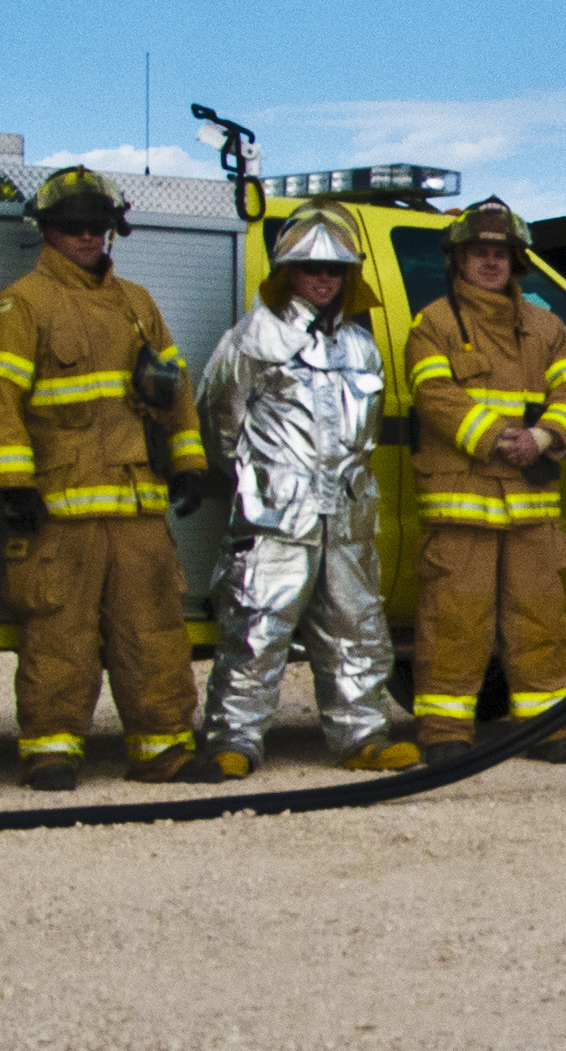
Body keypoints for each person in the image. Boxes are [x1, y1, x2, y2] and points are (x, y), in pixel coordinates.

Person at [0, 166, 216, 787]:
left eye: (97, 226)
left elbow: (176, 389)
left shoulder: (138, 303)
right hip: (59, 508)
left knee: (155, 629)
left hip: (137, 503)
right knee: (60, 634)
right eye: (72, 227)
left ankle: (164, 747)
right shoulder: (21, 304)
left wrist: (189, 462)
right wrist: (13, 485)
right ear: (47, 231)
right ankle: (52, 751)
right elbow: (0, 400)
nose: (87, 237)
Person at [188, 201, 416, 777]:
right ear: (287, 271)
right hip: (275, 520)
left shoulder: (360, 347)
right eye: (311, 267)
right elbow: (220, 419)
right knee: (256, 627)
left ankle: (361, 735)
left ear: (349, 277)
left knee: (356, 628)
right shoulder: (251, 339)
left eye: (335, 269)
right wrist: (261, 483)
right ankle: (233, 740)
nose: (323, 277)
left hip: (346, 517)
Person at [399, 197, 566, 763]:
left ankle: (547, 729)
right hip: (465, 501)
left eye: (500, 253)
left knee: (541, 617)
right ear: (458, 259)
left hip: (530, 503)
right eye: (479, 253)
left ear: (517, 261)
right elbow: (433, 393)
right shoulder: (434, 323)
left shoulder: (546, 326)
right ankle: (444, 735)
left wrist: (547, 436)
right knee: (456, 620)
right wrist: (494, 436)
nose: (490, 262)